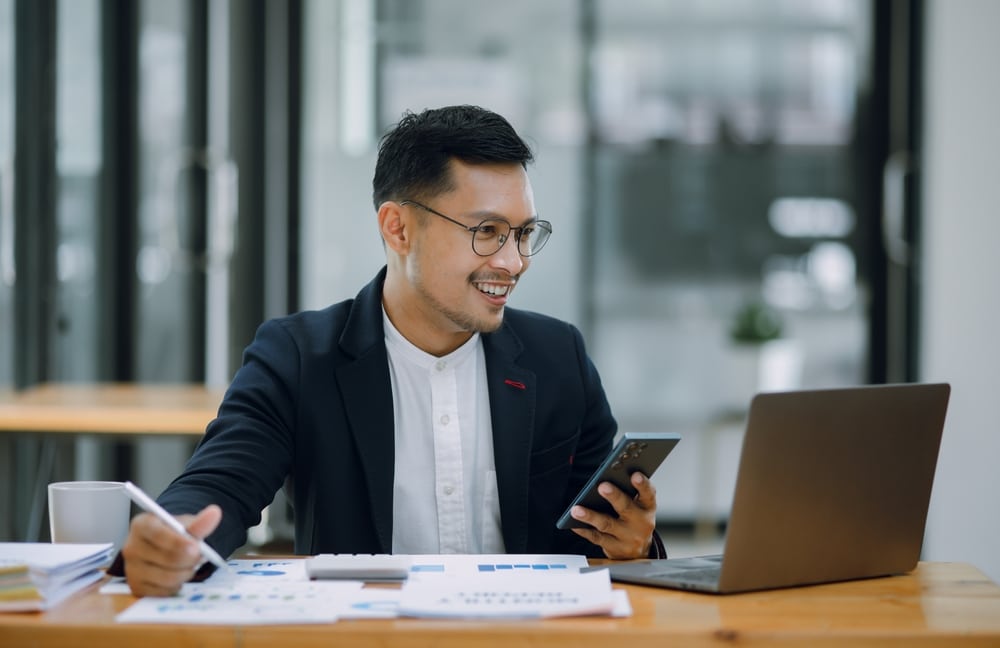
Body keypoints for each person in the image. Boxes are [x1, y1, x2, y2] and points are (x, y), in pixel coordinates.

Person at [116, 105, 664, 597]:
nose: (513, 262)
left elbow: (607, 530)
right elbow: (219, 483)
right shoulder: (300, 358)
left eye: (523, 234)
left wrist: (633, 543)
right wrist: (170, 535)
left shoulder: (556, 356)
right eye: (488, 232)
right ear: (398, 228)